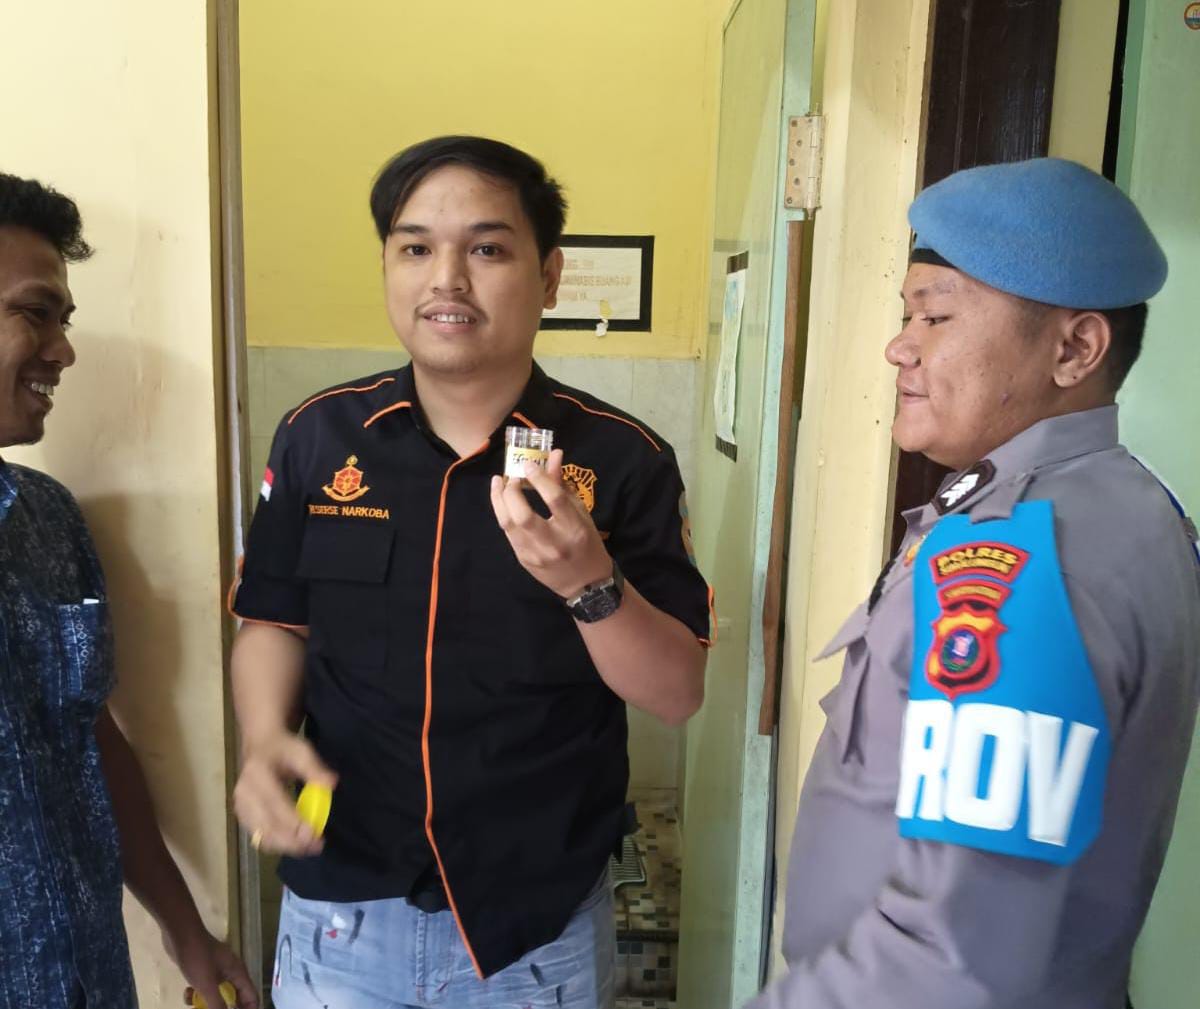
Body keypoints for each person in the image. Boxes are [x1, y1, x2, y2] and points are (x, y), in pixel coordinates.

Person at [229, 135, 712, 1009]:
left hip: (536, 928)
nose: (446, 279)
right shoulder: (318, 437)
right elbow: (274, 619)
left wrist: (589, 582)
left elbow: (677, 692)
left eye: (487, 249)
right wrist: (264, 736)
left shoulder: (622, 458)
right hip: (342, 910)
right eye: (415, 248)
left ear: (550, 275)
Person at [748, 157, 1200, 1009]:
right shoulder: (1113, 500)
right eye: (907, 314)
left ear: (1074, 349)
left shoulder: (1034, 556)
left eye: (938, 315)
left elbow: (955, 957)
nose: (901, 345)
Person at [0, 173, 256, 1009]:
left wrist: (187, 932)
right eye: (35, 313)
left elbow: (90, 740)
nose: (63, 350)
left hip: (86, 978)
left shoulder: (47, 521)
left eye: (64, 321)